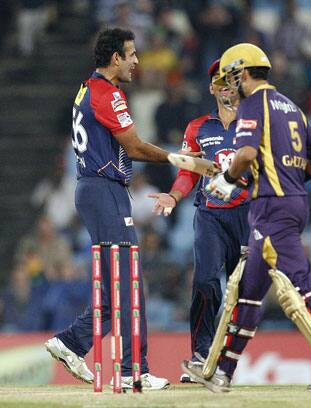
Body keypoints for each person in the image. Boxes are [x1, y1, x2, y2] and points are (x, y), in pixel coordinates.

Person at [181, 43, 311, 393]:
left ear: (244, 73)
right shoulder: (291, 106)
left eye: (234, 75)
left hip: (271, 208)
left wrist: (227, 180)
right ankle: (222, 373)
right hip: (291, 202)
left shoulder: (253, 104)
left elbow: (247, 152)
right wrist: (292, 180)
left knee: (301, 285)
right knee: (248, 294)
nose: (232, 83)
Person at [44, 28, 195, 390]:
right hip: (104, 190)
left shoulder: (86, 88)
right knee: (129, 285)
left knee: (120, 287)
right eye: (131, 54)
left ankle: (71, 342)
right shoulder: (108, 94)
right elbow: (136, 147)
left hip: (94, 189)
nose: (137, 61)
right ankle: (132, 371)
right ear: (115, 58)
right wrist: (178, 157)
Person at [149, 59, 250, 383]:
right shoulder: (197, 128)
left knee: (243, 292)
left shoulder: (254, 125)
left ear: (239, 84)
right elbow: (187, 171)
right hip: (209, 216)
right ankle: (200, 355)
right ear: (211, 88)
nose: (225, 86)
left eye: (231, 80)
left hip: (248, 215)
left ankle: (226, 363)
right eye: (219, 80)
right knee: (205, 281)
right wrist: (174, 197)